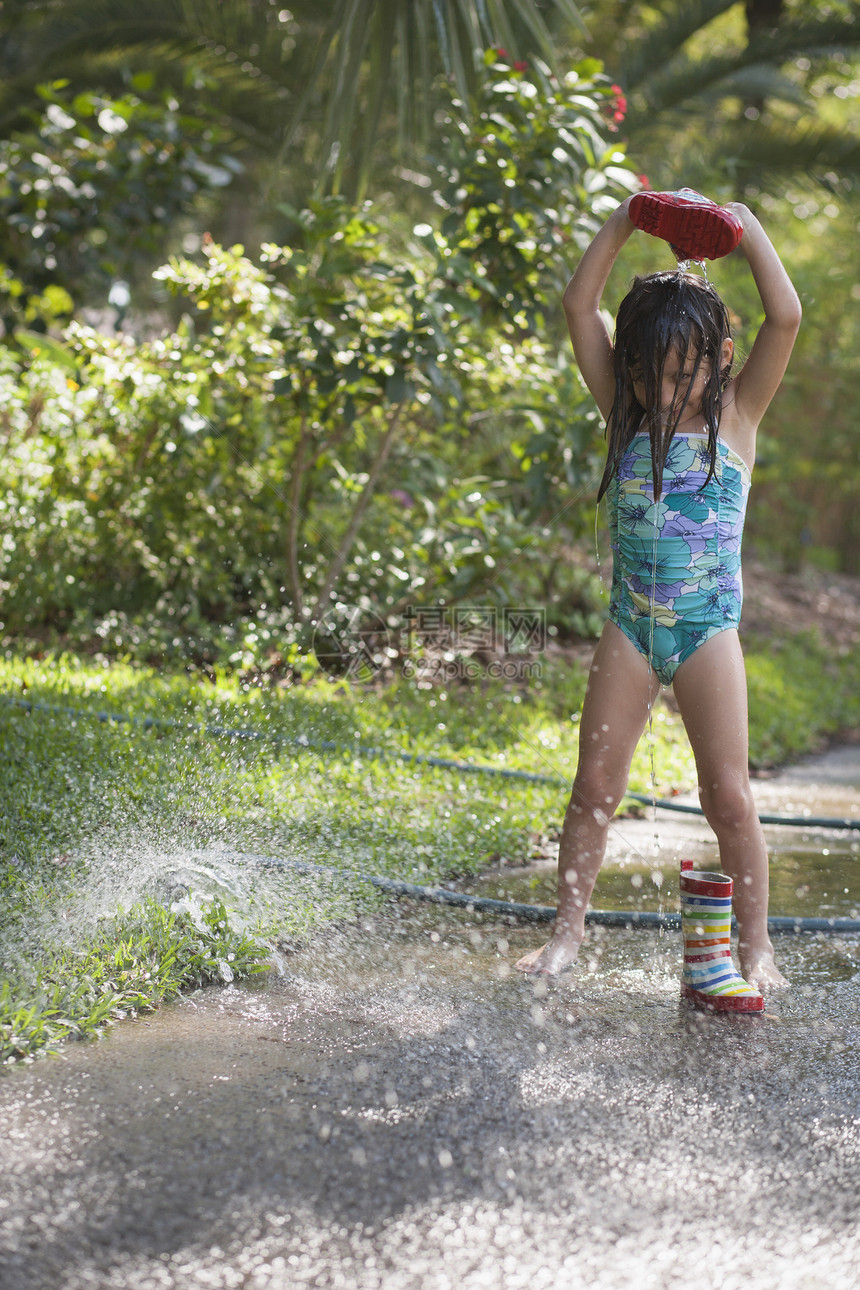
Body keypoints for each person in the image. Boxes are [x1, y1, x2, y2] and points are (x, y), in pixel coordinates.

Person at [515, 193, 801, 1004]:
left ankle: (757, 950)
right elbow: (580, 304)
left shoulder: (739, 417)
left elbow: (785, 316)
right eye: (653, 372)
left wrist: (744, 227)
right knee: (593, 789)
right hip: (632, 628)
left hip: (709, 630)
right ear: (631, 369)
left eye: (690, 372)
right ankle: (566, 935)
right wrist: (625, 220)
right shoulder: (623, 414)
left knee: (729, 796)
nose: (671, 389)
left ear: (718, 363)